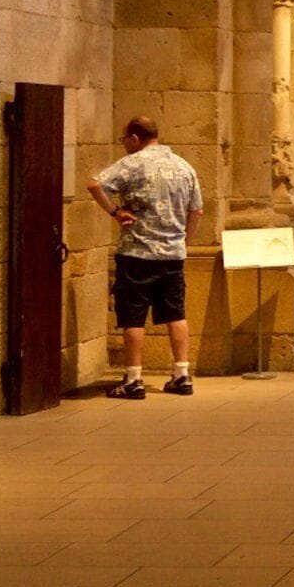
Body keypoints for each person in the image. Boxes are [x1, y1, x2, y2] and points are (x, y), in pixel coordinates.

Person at [88, 116, 203, 398]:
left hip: (136, 254)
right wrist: (183, 241)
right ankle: (182, 375)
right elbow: (197, 210)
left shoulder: (132, 163)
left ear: (135, 138)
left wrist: (115, 212)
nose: (124, 145)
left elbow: (94, 184)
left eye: (124, 140)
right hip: (173, 255)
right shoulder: (184, 166)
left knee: (133, 316)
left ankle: (133, 379)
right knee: (176, 313)